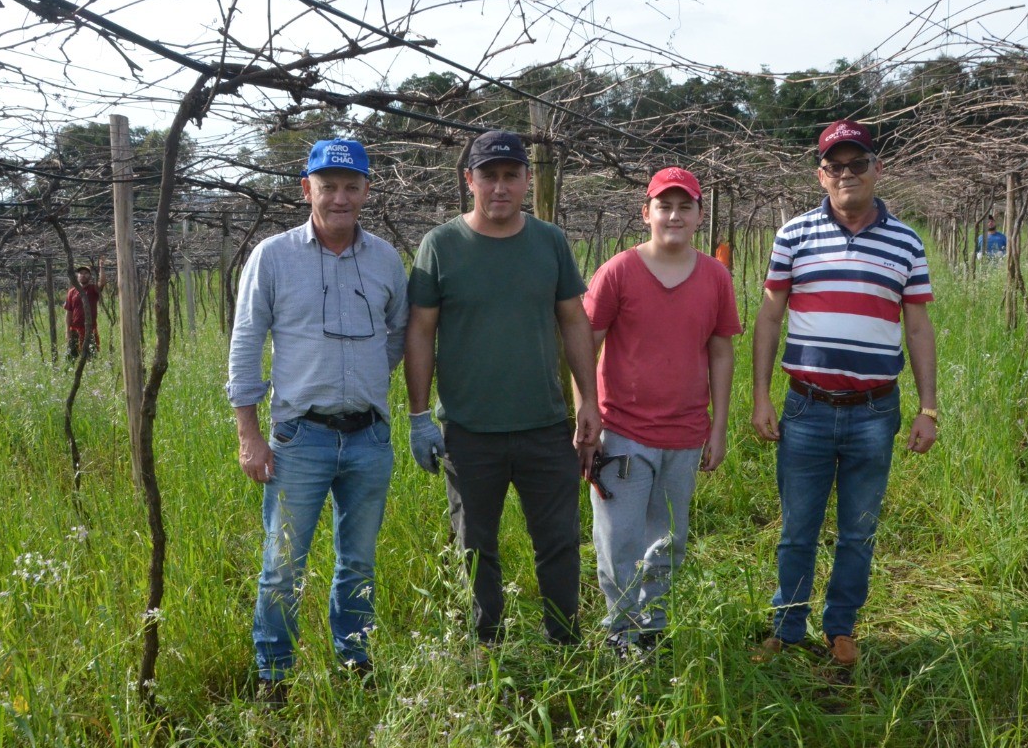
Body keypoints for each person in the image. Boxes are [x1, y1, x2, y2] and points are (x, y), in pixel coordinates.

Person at [226, 138, 408, 702]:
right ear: (307, 189)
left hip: (369, 437)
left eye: (351, 186)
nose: (340, 198)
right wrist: (249, 434)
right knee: (282, 565)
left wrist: (367, 379)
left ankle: (355, 661)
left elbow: (398, 334)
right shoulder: (273, 256)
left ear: (367, 191)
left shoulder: (385, 259)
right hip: (299, 437)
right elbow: (246, 342)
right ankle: (274, 675)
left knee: (359, 562)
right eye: (328, 186)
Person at [750, 119, 937, 668]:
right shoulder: (793, 235)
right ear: (821, 176)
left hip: (875, 411)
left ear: (877, 169)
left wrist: (928, 407)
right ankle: (787, 627)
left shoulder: (906, 241)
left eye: (857, 164)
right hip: (806, 405)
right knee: (797, 529)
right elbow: (769, 317)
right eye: (835, 166)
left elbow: (918, 326)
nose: (846, 174)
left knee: (858, 531)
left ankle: (841, 628)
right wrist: (760, 395)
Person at [404, 130, 601, 647]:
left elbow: (574, 321)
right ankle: (487, 644)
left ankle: (564, 640)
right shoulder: (440, 246)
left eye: (511, 175)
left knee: (558, 542)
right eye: (488, 175)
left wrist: (589, 401)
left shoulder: (549, 241)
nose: (500, 187)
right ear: (469, 180)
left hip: (545, 424)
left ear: (527, 180)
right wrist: (419, 416)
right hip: (469, 430)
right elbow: (420, 331)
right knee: (475, 545)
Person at [577, 167, 741, 657]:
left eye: (684, 207)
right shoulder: (617, 271)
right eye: (664, 206)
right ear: (645, 213)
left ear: (699, 216)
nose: (674, 215)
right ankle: (620, 630)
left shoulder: (715, 276)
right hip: (622, 431)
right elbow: (585, 344)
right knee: (620, 539)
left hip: (686, 432)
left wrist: (718, 427)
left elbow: (721, 351)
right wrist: (587, 412)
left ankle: (654, 625)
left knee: (669, 539)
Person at [64, 258, 104, 359]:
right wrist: (67, 331)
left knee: (91, 357)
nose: (83, 275)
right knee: (71, 357)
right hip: (74, 329)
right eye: (81, 273)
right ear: (77, 276)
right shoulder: (72, 292)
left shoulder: (93, 289)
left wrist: (101, 266)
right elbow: (69, 313)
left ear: (90, 276)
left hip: (90, 329)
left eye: (86, 273)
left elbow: (102, 283)